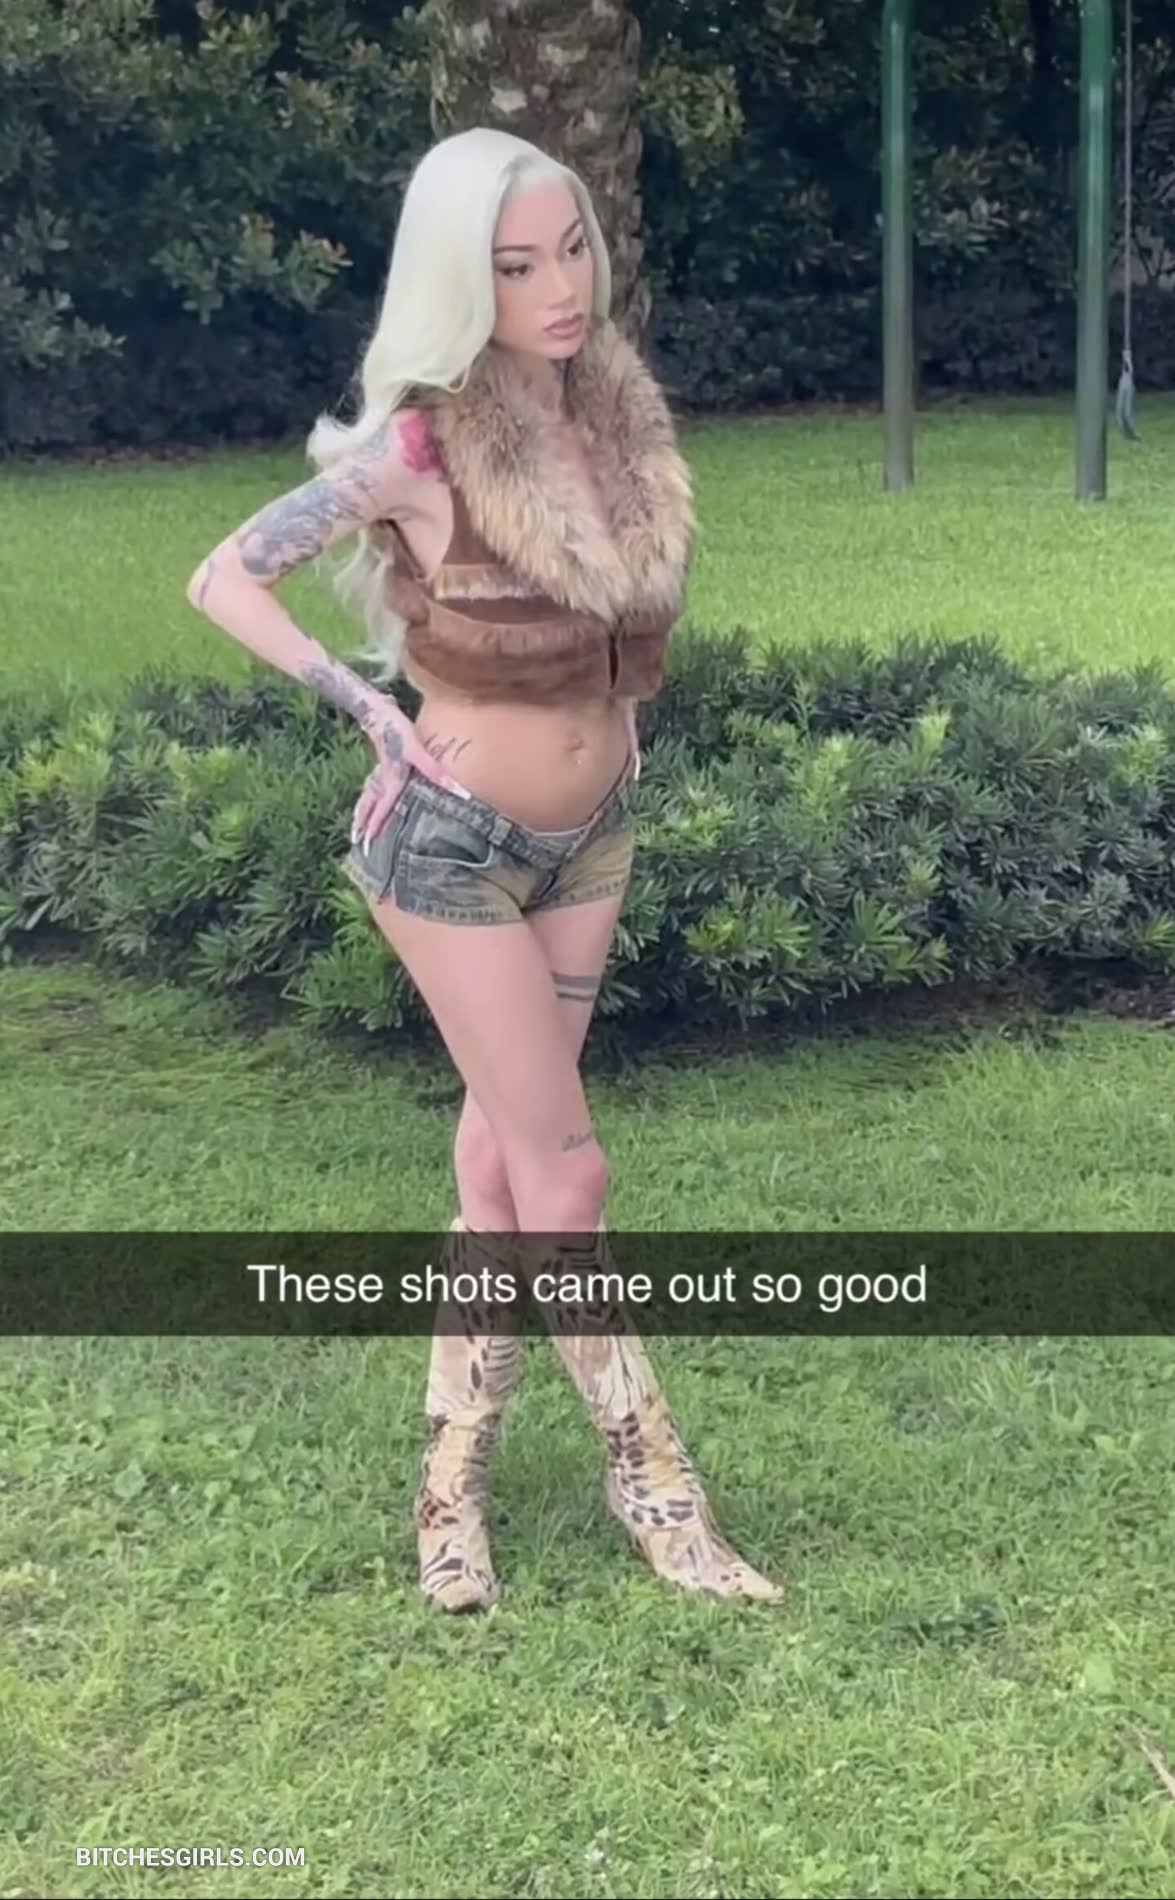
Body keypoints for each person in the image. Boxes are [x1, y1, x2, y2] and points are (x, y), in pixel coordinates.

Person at [186, 126, 780, 1611]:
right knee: (569, 1169)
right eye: (516, 266)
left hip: (590, 840)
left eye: (572, 248)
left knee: (500, 1169)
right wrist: (370, 707)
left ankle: (449, 1483)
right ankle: (656, 1483)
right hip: (449, 849)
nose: (559, 287)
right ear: (464, 280)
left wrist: (608, 740)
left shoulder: (613, 423)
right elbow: (223, 576)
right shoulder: (421, 448)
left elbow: (619, 626)